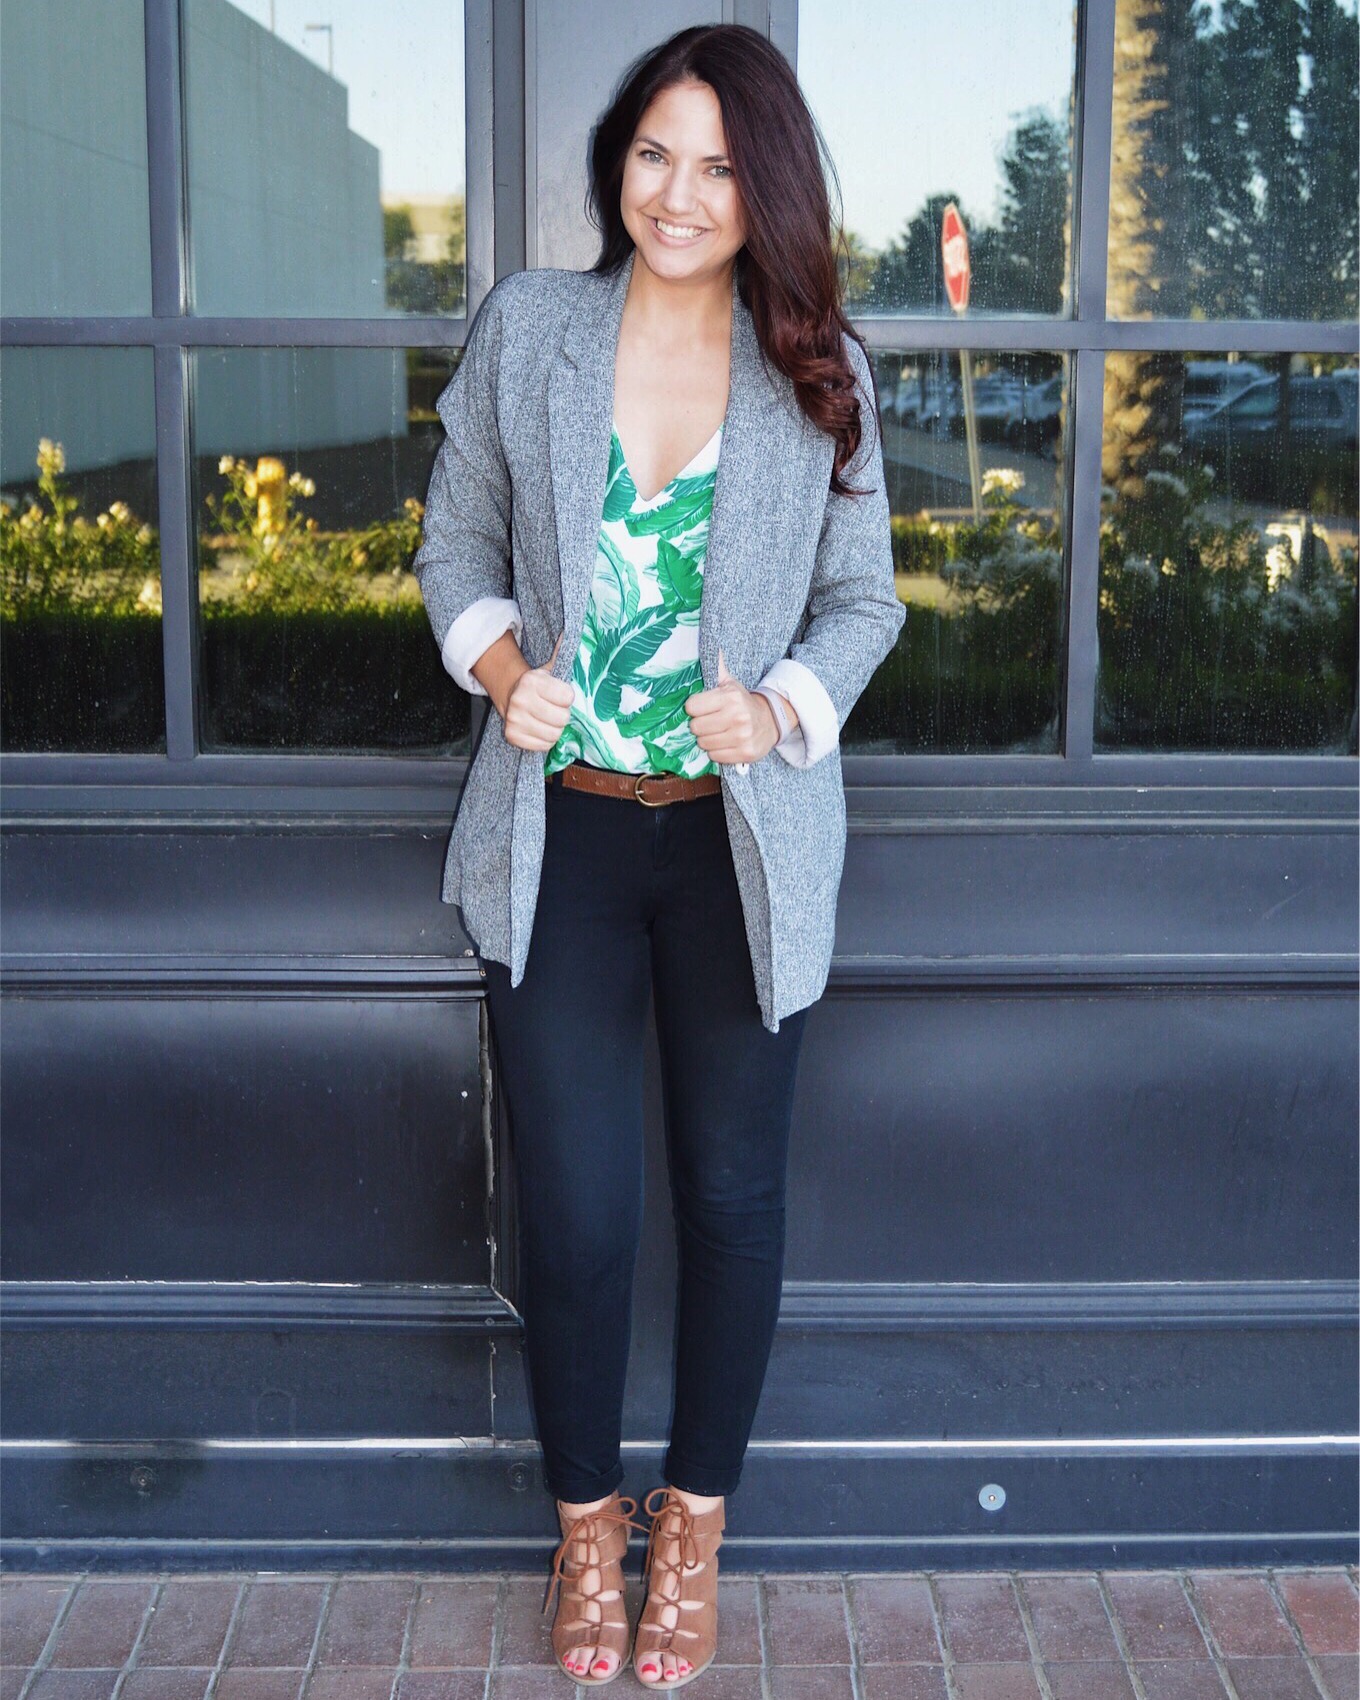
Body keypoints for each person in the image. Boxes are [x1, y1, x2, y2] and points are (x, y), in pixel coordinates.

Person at [413, 23, 905, 1690]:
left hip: (737, 854)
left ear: (767, 189)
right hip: (559, 832)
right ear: (615, 161)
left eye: (717, 166)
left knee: (732, 1198)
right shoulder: (531, 330)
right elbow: (453, 542)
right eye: (652, 155)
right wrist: (502, 670)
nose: (679, 195)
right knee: (575, 1215)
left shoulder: (817, 362)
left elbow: (866, 602)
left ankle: (690, 1527)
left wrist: (782, 707)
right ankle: (584, 1529)